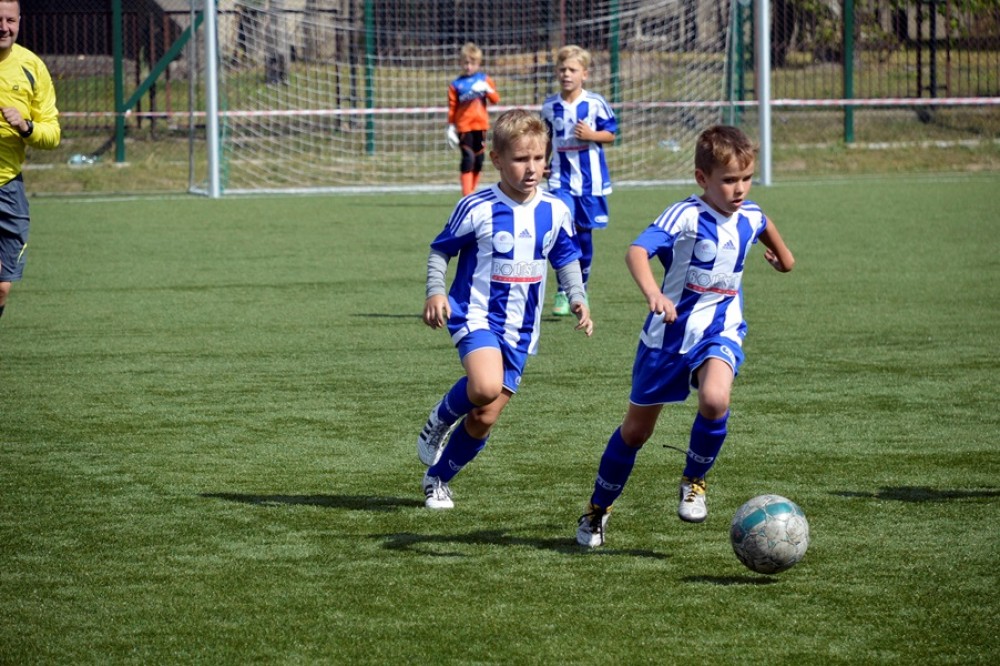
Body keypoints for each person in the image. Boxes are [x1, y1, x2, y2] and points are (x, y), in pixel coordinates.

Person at [575, 125, 795, 547]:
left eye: (746, 178)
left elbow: (772, 237)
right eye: (728, 180)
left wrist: (783, 260)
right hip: (667, 338)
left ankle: (694, 480)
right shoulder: (685, 215)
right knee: (635, 433)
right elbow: (636, 251)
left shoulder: (750, 216)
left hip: (721, 330)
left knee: (715, 399)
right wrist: (654, 293)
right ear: (702, 178)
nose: (739, 188)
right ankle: (598, 509)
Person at [418, 108, 593, 510]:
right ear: (497, 159)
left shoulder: (555, 210)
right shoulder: (476, 207)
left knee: (485, 416)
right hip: (474, 314)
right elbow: (440, 250)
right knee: (484, 386)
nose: (531, 168)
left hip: (521, 328)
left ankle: (438, 478)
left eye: (538, 158)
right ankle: (440, 419)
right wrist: (435, 292)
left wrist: (578, 296)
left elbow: (566, 257)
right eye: (520, 159)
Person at [540, 45, 616, 316]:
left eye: (572, 70)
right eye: (562, 69)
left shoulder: (595, 103)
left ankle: (580, 289)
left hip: (590, 182)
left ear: (584, 74)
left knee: (584, 236)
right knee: (563, 231)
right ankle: (563, 290)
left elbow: (611, 133)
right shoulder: (549, 106)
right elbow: (545, 138)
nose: (566, 74)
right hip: (559, 180)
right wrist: (541, 162)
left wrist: (592, 135)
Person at [0, 0, 60, 323]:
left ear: (20, 21)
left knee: (2, 287)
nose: (3, 27)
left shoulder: (32, 67)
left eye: (10, 20)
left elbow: (52, 134)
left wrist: (26, 127)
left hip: (8, 187)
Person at [446, 42, 500, 197]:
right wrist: (451, 126)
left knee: (479, 160)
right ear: (460, 63)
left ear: (478, 63)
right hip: (464, 126)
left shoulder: (484, 79)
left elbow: (495, 99)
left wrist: (487, 89)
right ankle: (467, 195)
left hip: (481, 126)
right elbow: (452, 106)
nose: (468, 66)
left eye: (472, 63)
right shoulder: (456, 85)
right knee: (468, 158)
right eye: (466, 63)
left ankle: (472, 191)